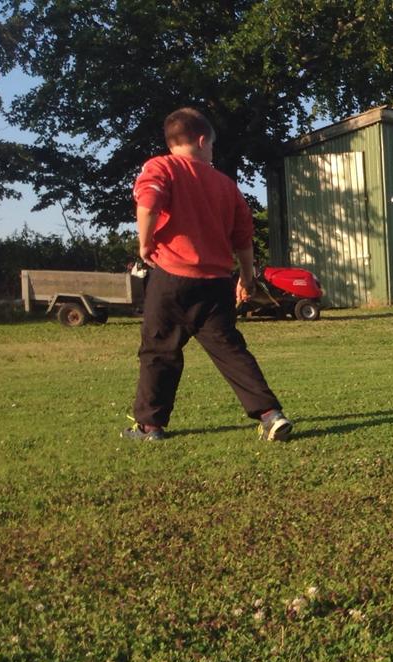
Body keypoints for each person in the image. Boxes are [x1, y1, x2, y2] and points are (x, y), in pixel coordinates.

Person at [122, 106, 292, 442]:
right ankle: (271, 415)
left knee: (159, 351)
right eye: (212, 146)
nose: (212, 152)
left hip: (172, 277)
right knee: (230, 349)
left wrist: (145, 244)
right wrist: (246, 277)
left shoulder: (160, 167)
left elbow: (149, 200)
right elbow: (243, 239)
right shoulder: (226, 185)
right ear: (202, 140)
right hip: (216, 284)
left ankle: (150, 427)